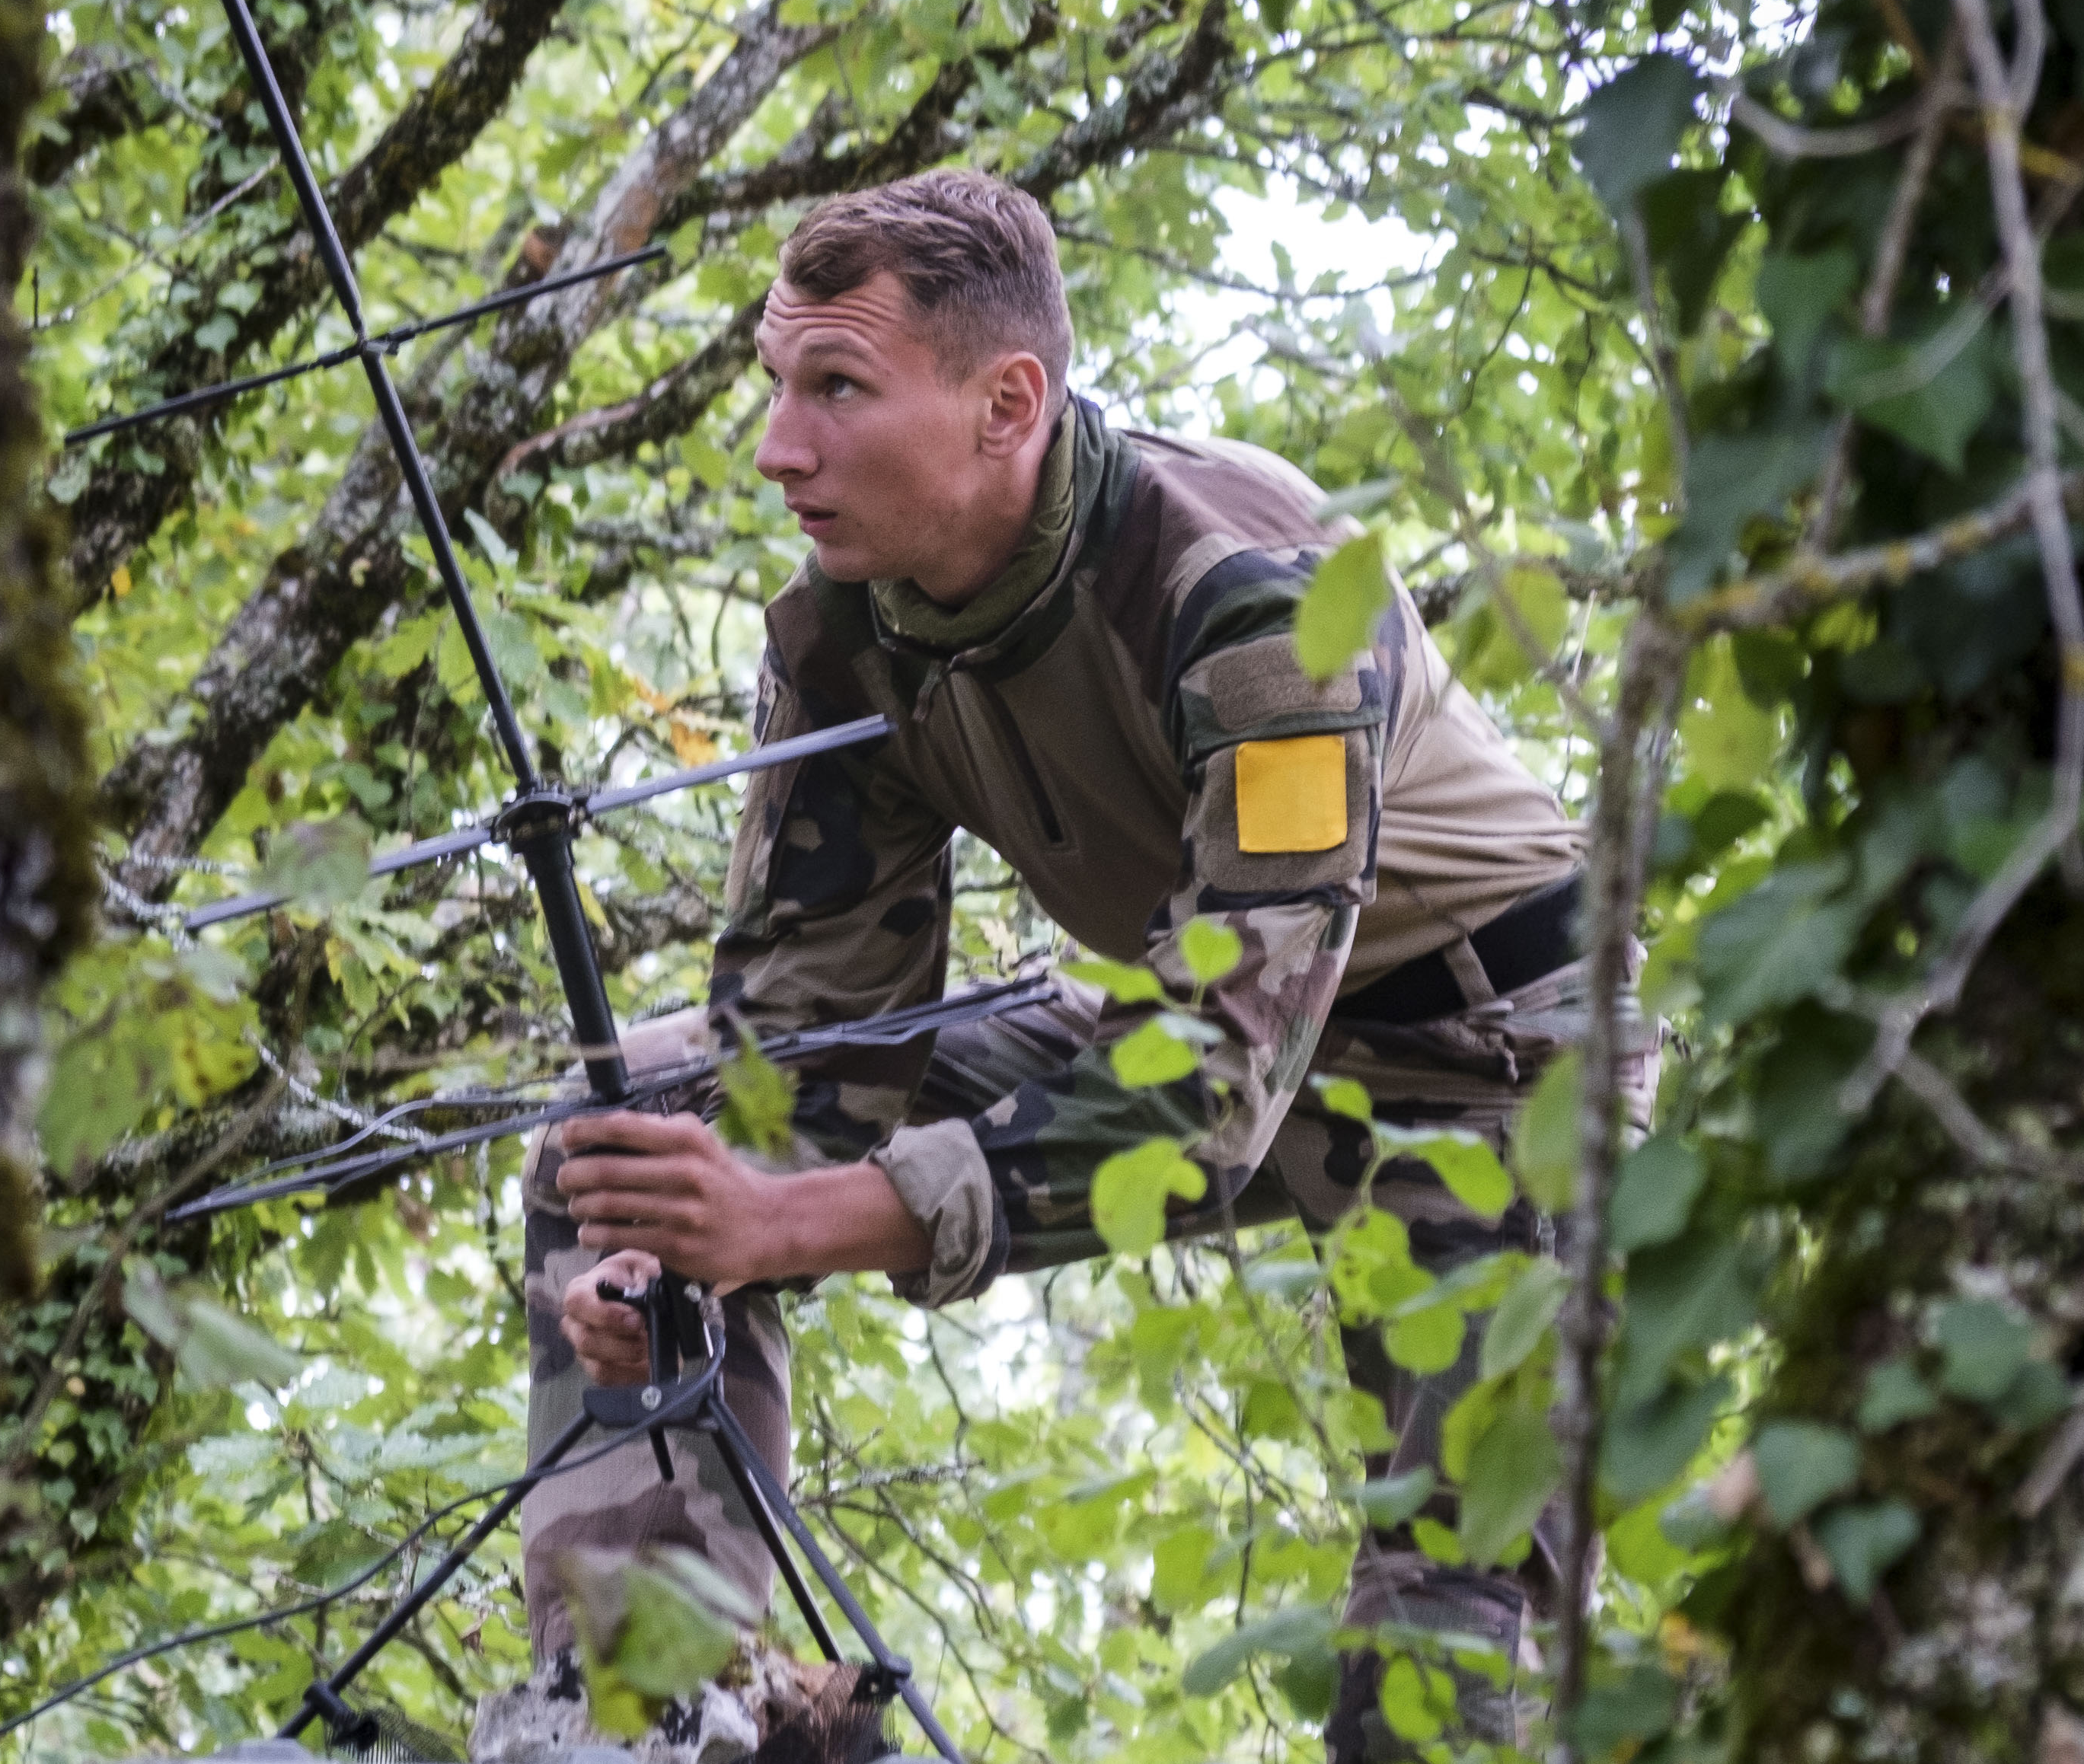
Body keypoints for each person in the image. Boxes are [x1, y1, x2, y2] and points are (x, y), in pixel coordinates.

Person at [509, 169, 1649, 1760]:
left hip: (1483, 1057)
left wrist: (781, 1225)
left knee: (1445, 1663)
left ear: (1006, 403)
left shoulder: (1258, 609)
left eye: (836, 387)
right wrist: (682, 1254)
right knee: (636, 1129)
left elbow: (1212, 1090)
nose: (779, 443)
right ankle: (656, 1707)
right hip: (1187, 1000)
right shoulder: (849, 625)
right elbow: (802, 1034)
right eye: (778, 384)